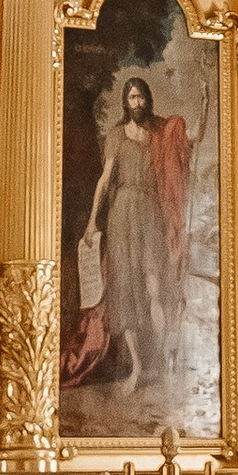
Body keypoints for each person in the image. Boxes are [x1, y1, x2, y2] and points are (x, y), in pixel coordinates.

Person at [75, 71, 192, 396]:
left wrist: (207, 104)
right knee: (125, 291)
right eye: (131, 97)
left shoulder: (158, 132)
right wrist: (92, 220)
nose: (137, 102)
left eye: (141, 96)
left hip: (149, 213)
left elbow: (187, 141)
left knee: (154, 287)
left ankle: (163, 360)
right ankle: (137, 369)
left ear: (147, 99)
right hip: (122, 215)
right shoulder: (117, 135)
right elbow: (104, 179)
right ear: (125, 102)